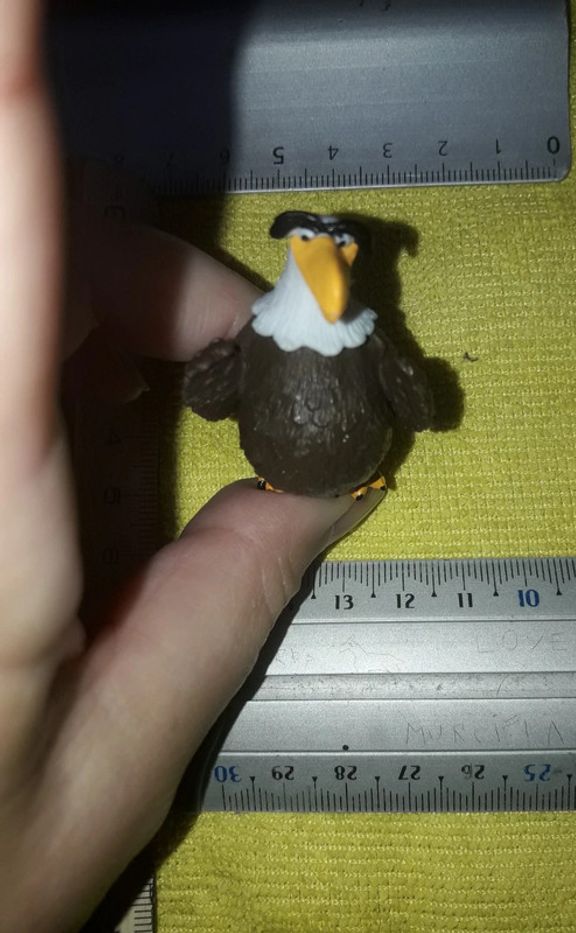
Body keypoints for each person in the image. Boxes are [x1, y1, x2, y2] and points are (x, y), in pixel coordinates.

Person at [0, 4, 383, 929]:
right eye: (308, 252)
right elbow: (224, 373)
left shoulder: (352, 341)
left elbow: (398, 382)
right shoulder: (270, 333)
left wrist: (404, 391)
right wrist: (220, 383)